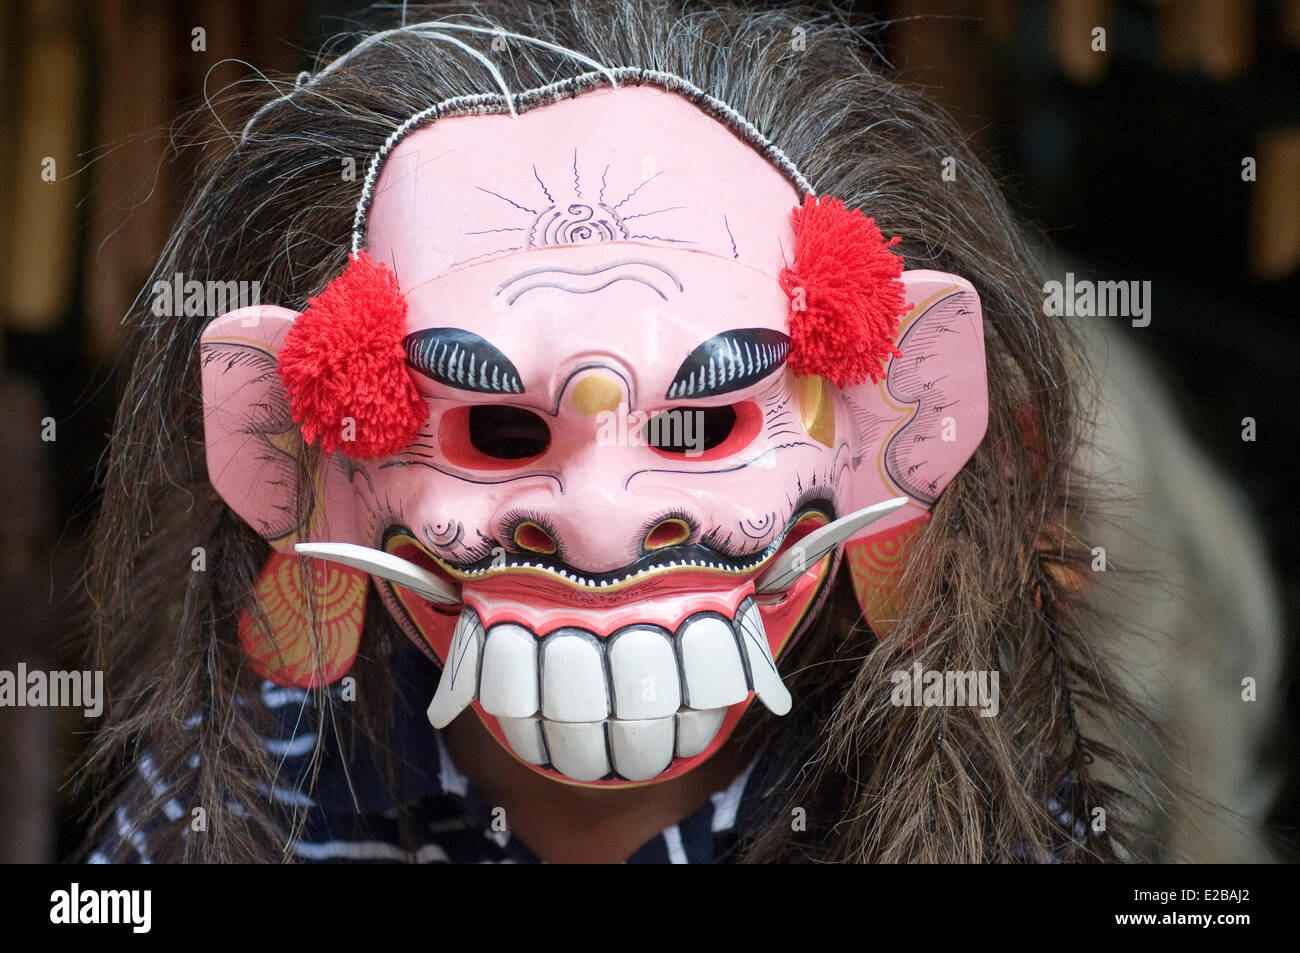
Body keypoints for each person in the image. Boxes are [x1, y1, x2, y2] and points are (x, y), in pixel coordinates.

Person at [79, 0, 1200, 864]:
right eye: (500, 428)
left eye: (706, 419)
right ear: (292, 453)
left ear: (901, 411)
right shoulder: (232, 803)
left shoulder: (993, 819)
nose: (607, 521)